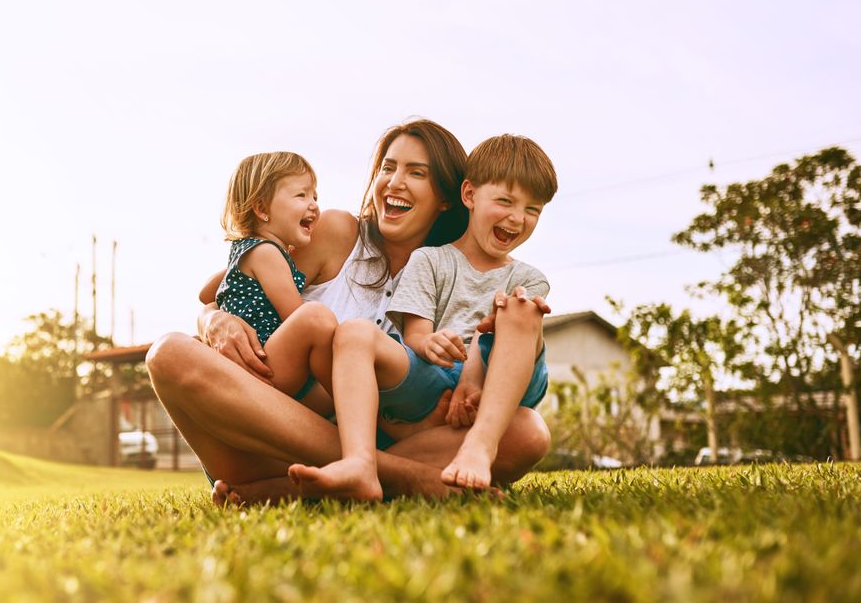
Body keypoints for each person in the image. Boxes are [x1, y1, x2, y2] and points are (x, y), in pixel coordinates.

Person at [146, 119, 552, 504]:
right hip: (263, 435)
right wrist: (216, 320)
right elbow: (235, 282)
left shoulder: (457, 274)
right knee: (168, 353)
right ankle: (398, 476)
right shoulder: (336, 232)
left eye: (416, 173)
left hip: (387, 441)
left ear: (447, 198)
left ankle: (306, 484)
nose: (394, 182)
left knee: (527, 432)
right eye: (388, 167)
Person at [288, 134, 557, 501]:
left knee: (519, 311)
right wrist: (428, 342)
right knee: (354, 332)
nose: (517, 218)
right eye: (506, 201)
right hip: (437, 379)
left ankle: (479, 446)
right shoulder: (429, 260)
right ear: (469, 196)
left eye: (532, 210)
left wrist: (475, 377)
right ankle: (359, 463)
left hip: (502, 382)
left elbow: (501, 338)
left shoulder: (528, 278)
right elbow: (415, 334)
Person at [214, 151, 336, 417]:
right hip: (265, 364)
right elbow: (296, 315)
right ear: (262, 209)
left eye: (315, 196)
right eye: (301, 195)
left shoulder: (245, 250)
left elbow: (207, 294)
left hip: (261, 365)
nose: (314, 204)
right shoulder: (268, 253)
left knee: (338, 404)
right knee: (316, 317)